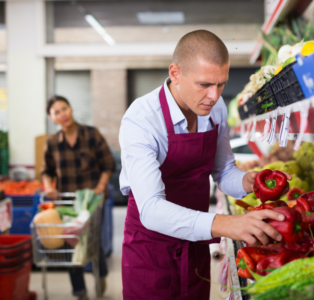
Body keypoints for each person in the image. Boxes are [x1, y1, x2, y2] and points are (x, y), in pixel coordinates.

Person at [119, 30, 291, 300]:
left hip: (196, 239)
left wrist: (248, 181)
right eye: (204, 84)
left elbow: (223, 172)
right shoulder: (141, 120)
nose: (214, 95)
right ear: (175, 73)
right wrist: (228, 224)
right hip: (151, 249)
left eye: (221, 84)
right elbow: (151, 209)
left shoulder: (216, 108)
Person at [42, 95, 115, 300]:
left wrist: (100, 187)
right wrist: (48, 186)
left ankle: (100, 274)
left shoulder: (92, 135)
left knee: (92, 242)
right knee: (70, 244)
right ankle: (80, 292)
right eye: (56, 112)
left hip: (92, 203)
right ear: (51, 117)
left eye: (64, 109)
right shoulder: (52, 143)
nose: (62, 114)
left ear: (71, 109)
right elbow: (46, 170)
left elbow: (109, 164)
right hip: (67, 204)